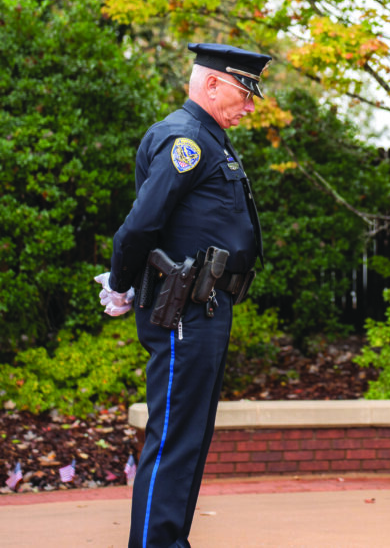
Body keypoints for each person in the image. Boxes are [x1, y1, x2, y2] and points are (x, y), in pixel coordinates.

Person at [95, 42, 271, 547]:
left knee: (188, 439)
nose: (251, 104)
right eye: (245, 91)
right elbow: (138, 228)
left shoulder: (209, 139)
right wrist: (121, 283)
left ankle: (169, 539)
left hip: (204, 308)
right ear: (212, 84)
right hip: (182, 312)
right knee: (174, 439)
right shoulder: (187, 140)